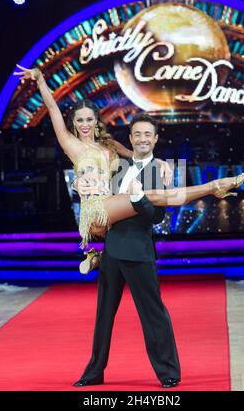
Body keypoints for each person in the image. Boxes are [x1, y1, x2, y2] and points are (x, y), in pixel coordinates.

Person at [13, 65, 244, 256]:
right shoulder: (71, 144)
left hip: (113, 207)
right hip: (96, 212)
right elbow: (53, 108)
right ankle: (213, 187)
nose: (84, 124)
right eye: (79, 120)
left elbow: (138, 156)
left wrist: (161, 163)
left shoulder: (109, 144)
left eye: (89, 119)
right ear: (73, 123)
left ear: (96, 121)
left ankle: (101, 258)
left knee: (151, 199)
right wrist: (40, 79)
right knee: (151, 196)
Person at [73, 113, 181, 388]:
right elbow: (96, 193)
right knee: (103, 316)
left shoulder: (160, 170)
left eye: (148, 134)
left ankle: (168, 374)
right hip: (111, 252)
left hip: (139, 252)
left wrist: (137, 196)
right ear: (130, 139)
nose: (143, 139)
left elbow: (156, 218)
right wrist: (79, 186)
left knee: (153, 314)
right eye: (137, 134)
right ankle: (94, 373)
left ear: (155, 139)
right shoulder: (117, 166)